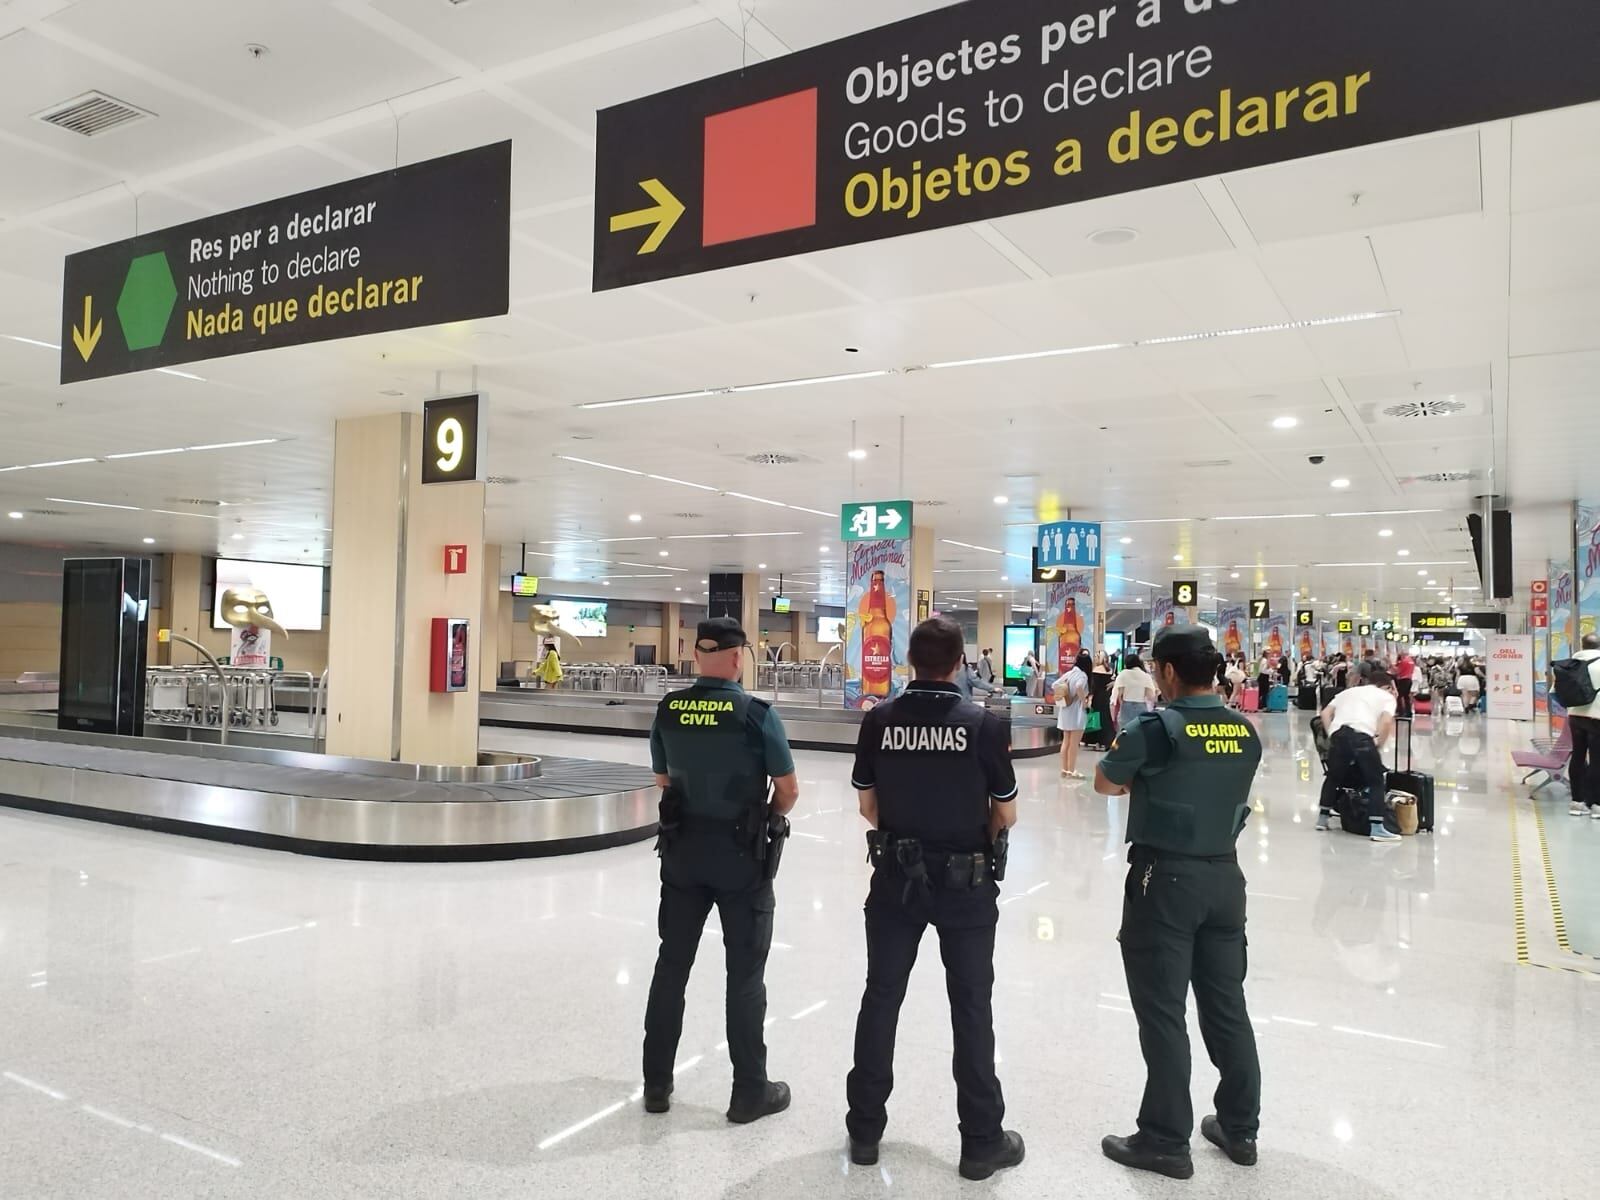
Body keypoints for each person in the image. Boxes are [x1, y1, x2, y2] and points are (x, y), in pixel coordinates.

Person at [845, 617, 1025, 1181]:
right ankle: (980, 1143)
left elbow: (867, 807)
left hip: (896, 878)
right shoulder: (983, 725)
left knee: (882, 997)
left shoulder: (880, 722)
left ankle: (865, 1131)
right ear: (959, 662)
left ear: (909, 661)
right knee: (971, 1006)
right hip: (966, 885)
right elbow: (1006, 812)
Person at [1093, 627, 1264, 1180]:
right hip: (1225, 879)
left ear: (1167, 672)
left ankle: (1165, 1138)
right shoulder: (1245, 731)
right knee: (1226, 1006)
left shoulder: (1154, 728)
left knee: (1163, 1011)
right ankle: (1239, 1128)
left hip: (1163, 880)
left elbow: (1104, 783)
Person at [642, 617, 800, 1123]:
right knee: (745, 976)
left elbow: (664, 778)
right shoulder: (755, 714)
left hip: (683, 853)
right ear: (737, 658)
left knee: (672, 966)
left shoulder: (669, 708)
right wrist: (766, 818)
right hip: (741, 860)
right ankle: (749, 1091)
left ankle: (657, 1084)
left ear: (694, 655)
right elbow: (789, 789)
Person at [1316, 669, 1400, 842]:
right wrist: (1378, 744)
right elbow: (1385, 722)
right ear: (1386, 686)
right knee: (1376, 780)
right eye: (1392, 688)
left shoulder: (1348, 692)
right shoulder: (1386, 697)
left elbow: (1324, 714)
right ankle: (1377, 828)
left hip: (1339, 735)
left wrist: (1331, 733)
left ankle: (1322, 819)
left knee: (1333, 777)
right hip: (1361, 736)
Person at [1565, 634, 1600, 818]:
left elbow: (1556, 692)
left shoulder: (1570, 664)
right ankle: (1596, 804)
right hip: (1597, 717)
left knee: (1577, 756)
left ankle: (1577, 802)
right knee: (1597, 760)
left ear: (1582, 645)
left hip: (1575, 716)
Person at [1054, 650, 1092, 779]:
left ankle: (1064, 769)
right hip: (1077, 711)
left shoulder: (1069, 673)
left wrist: (1065, 693)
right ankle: (1071, 770)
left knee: (1066, 741)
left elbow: (1055, 684)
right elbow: (1079, 686)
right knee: (1074, 743)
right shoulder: (1082, 676)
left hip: (1065, 709)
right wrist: (1084, 701)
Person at [1114, 653, 1161, 728]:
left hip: (1126, 706)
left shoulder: (1123, 674)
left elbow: (1119, 694)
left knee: (1125, 732)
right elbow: (1150, 696)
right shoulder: (1145, 676)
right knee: (1140, 731)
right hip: (1141, 706)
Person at [1085, 651, 1117, 751]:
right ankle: (1108, 740)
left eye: (1096, 656)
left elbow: (1094, 687)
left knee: (1097, 718)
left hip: (1098, 697)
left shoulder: (1097, 669)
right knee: (1105, 718)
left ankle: (1097, 740)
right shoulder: (1109, 669)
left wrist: (1089, 698)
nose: (1094, 658)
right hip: (1106, 697)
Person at [1393, 651, 1416, 718]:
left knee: (1399, 696)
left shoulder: (1404, 662)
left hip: (1403, 680)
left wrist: (1391, 665)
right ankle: (1408, 712)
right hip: (1409, 679)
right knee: (1406, 697)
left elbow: (1398, 671)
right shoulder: (1411, 661)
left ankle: (1401, 712)